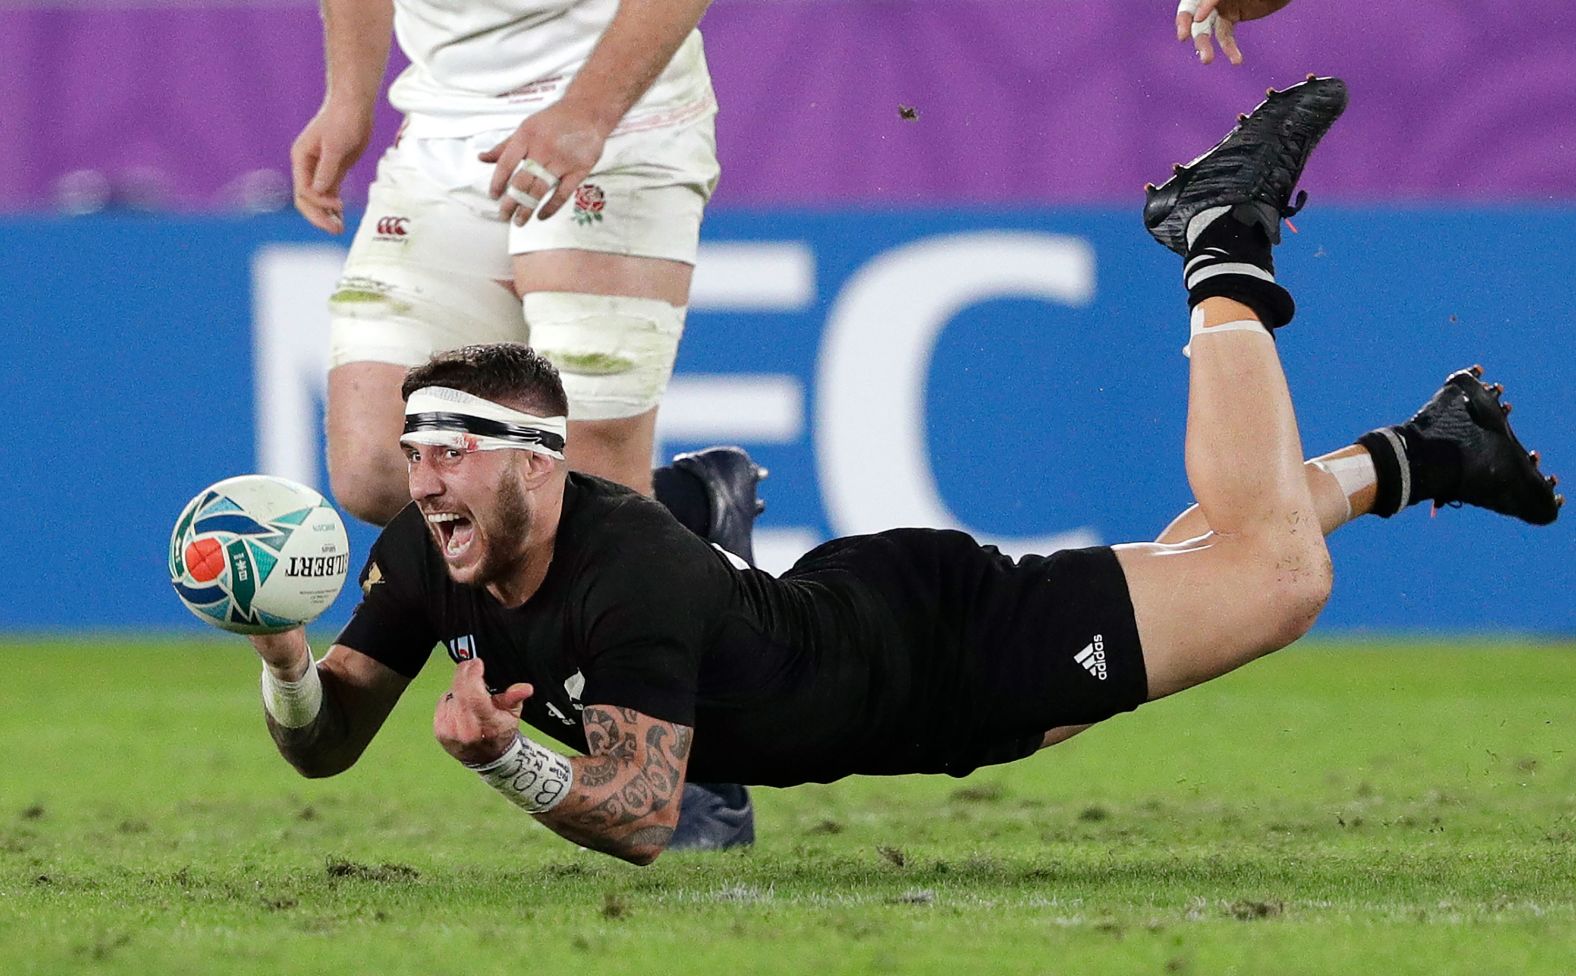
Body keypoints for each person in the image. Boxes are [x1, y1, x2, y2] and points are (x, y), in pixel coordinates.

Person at [248, 78, 1562, 864]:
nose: (417, 474)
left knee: (1273, 574)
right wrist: (288, 666)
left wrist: (499, 763)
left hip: (941, 658)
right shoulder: (432, 544)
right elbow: (327, 750)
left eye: (450, 447)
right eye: (414, 444)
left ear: (540, 466)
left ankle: (1223, 236)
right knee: (1221, 556)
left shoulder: (625, 575)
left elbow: (644, 817)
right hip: (872, 645)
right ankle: (1418, 454)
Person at [286, 0, 755, 848]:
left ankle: (697, 766)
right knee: (375, 470)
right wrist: (350, 98)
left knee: (592, 483)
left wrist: (588, 111)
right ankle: (689, 517)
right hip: (444, 131)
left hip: (620, 123)